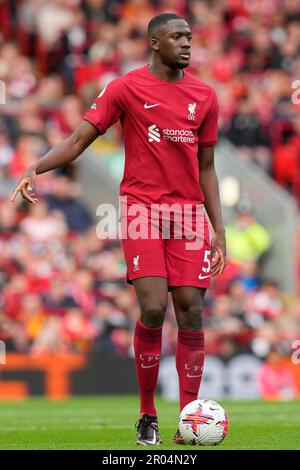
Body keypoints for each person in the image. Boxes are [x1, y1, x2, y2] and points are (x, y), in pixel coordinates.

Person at [10, 13, 226, 446]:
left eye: (188, 36)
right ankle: (147, 415)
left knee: (191, 310)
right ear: (153, 42)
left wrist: (218, 229)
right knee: (151, 309)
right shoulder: (126, 88)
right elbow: (77, 141)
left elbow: (207, 167)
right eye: (176, 36)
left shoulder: (204, 95)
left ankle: (189, 419)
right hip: (142, 210)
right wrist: (36, 167)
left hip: (187, 216)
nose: (186, 43)